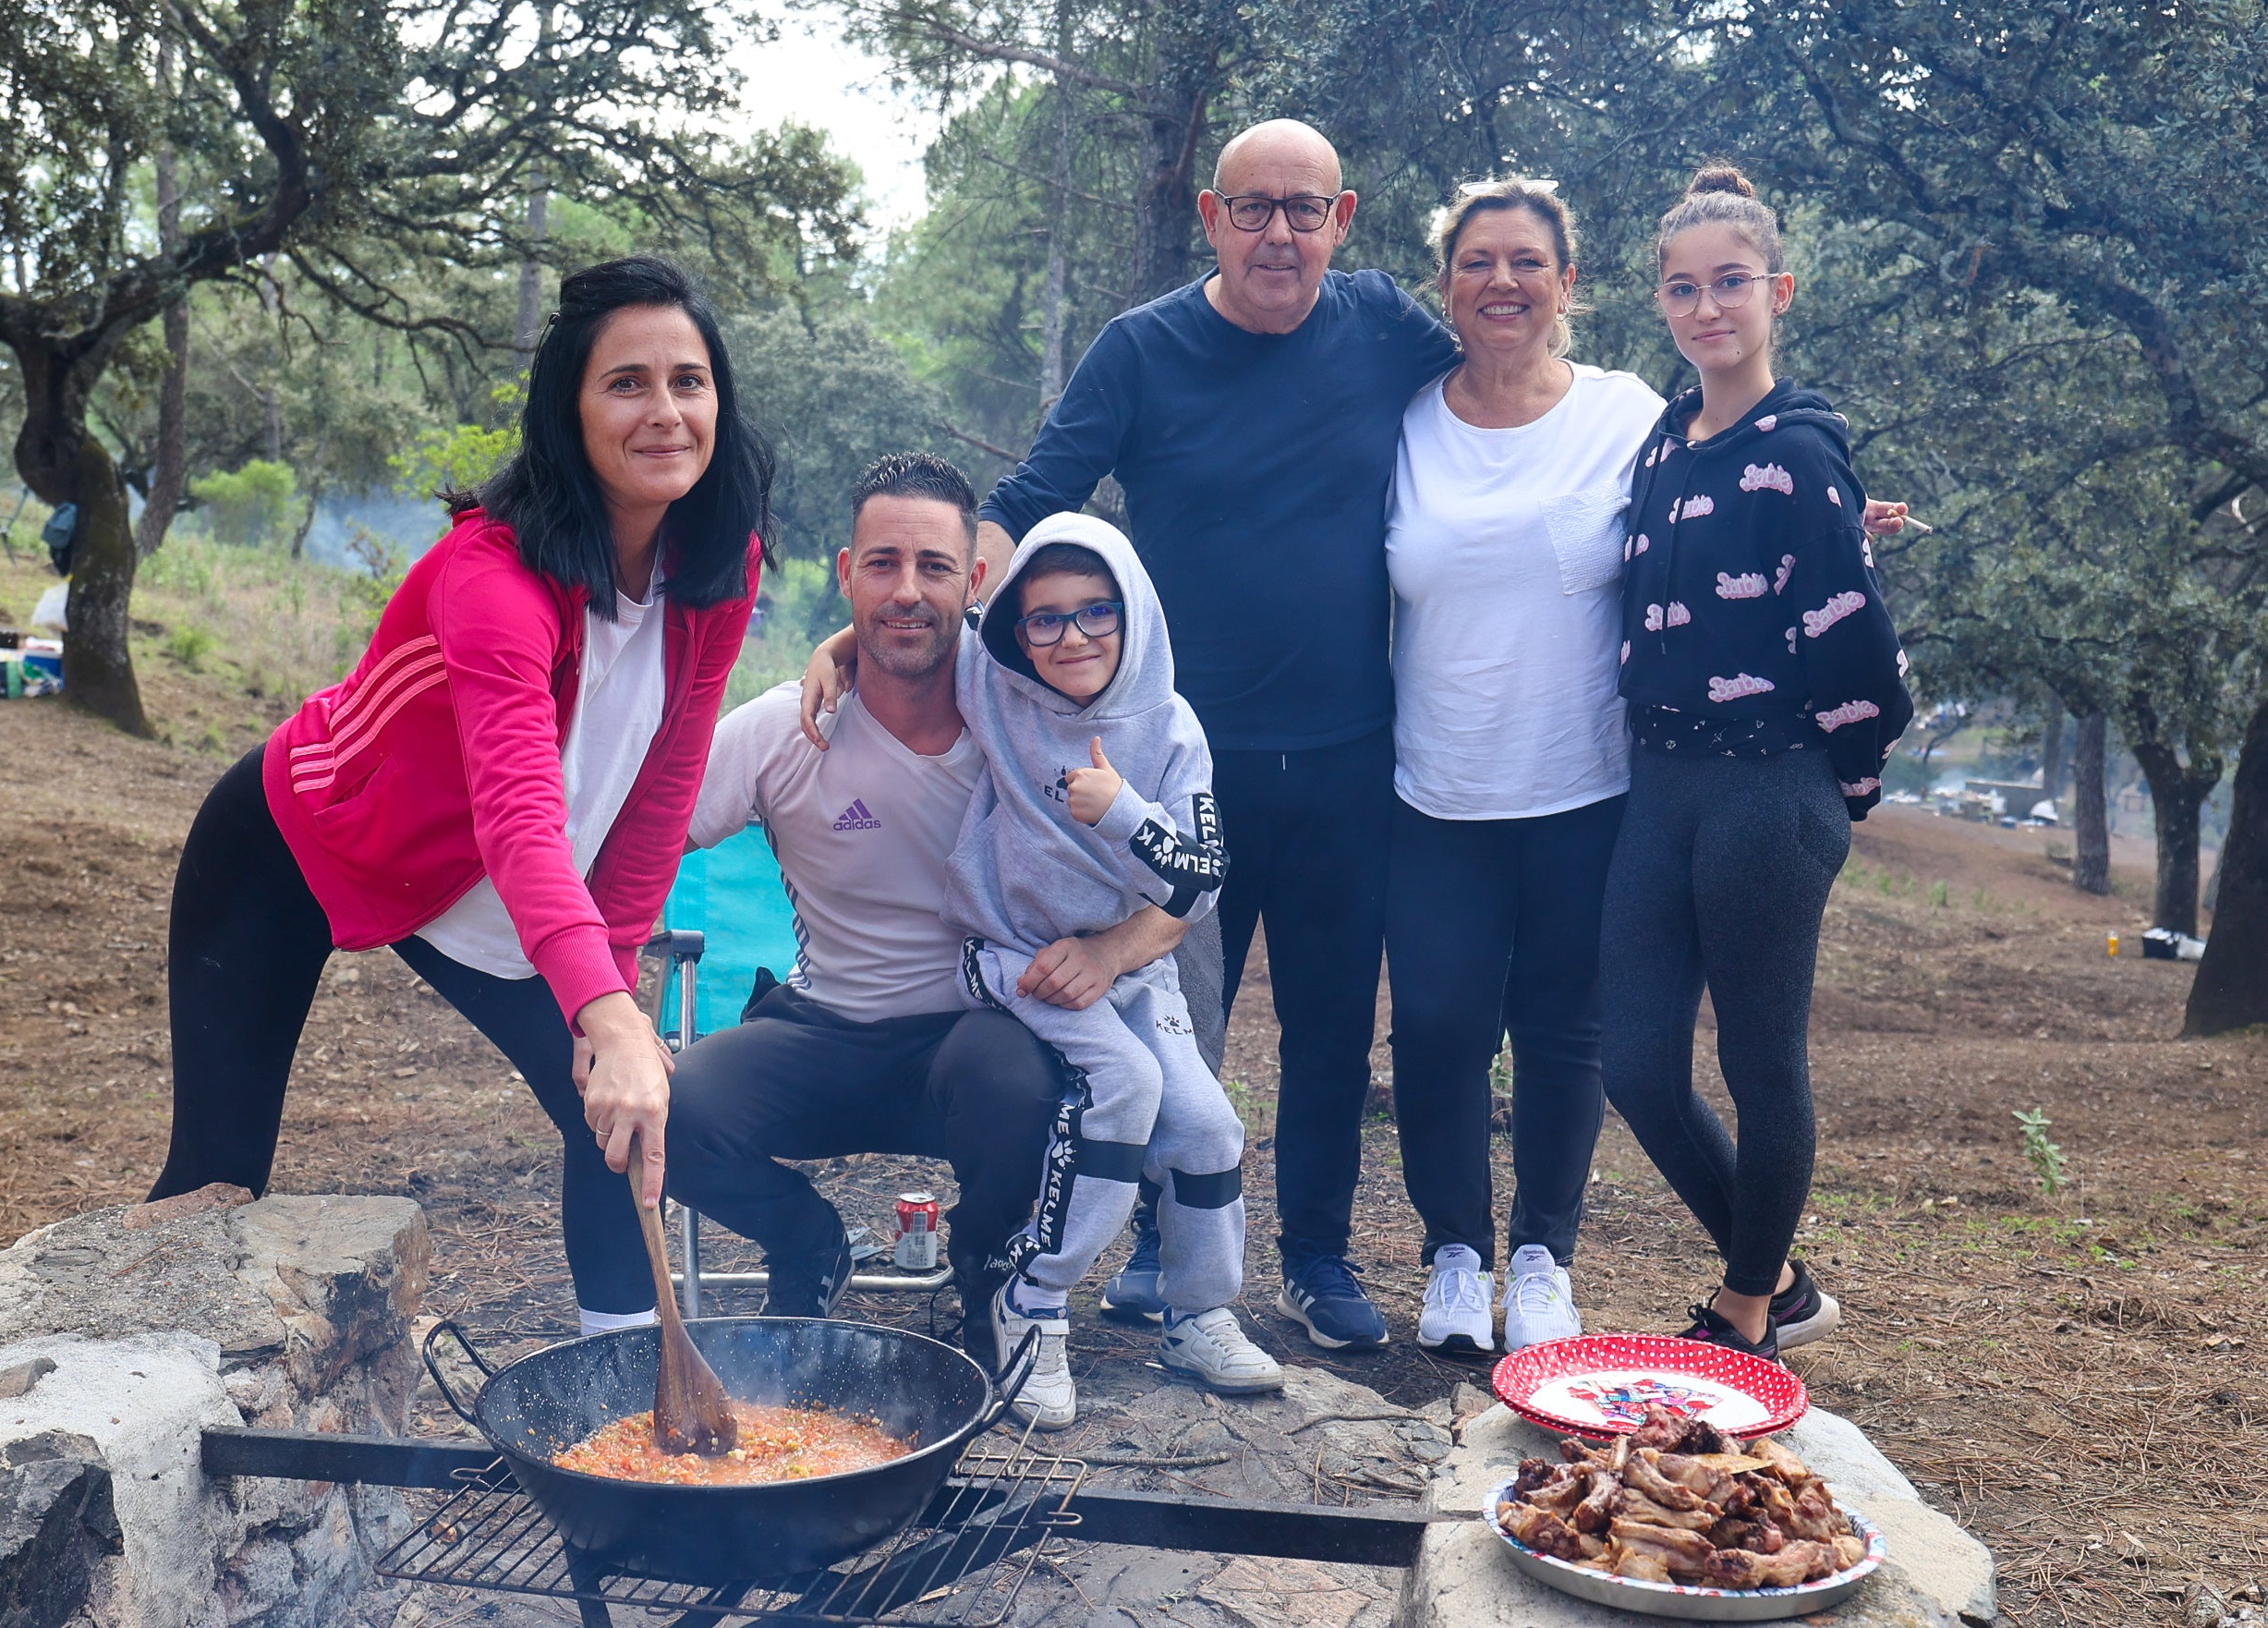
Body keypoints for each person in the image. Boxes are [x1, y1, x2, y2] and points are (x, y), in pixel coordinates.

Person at [807, 119, 1459, 1352]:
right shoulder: (1144, 349)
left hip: (1341, 754)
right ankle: (1161, 1252)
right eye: (1252, 207)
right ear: (1210, 217)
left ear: (1343, 218)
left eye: (1302, 210)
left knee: (1327, 1026)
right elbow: (1019, 503)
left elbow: (1512, 382)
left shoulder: (1382, 328)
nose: (1278, 231)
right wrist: (891, 627)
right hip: (1165, 764)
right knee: (1178, 1022)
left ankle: (1314, 1258)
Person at [148, 254, 765, 1337]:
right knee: (218, 1175)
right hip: (293, 841)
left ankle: (631, 1411)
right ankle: (123, 1385)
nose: (664, 411)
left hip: (490, 882)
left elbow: (662, 790)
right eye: (627, 383)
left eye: (688, 379)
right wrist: (606, 1008)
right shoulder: (492, 576)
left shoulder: (719, 561)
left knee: (608, 1116)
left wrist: (611, 993)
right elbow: (520, 815)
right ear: (567, 409)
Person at [663, 456, 1189, 1392]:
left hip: (974, 1034)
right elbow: (646, 850)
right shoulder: (785, 727)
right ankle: (806, 1238)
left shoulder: (1028, 721)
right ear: (844, 573)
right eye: (882, 564)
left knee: (1015, 1075)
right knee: (668, 1110)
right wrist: (609, 1004)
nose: (906, 590)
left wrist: (1110, 952)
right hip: (823, 1030)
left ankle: (987, 1268)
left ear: (975, 583)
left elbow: (1182, 872)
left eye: (935, 567)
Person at [1601, 166, 1913, 1360]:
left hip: (1767, 791)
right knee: (1632, 1057)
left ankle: (1744, 1309)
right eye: (1682, 289)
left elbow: (1855, 642)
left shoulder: (1800, 454)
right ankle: (1779, 1273)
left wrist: (1837, 790)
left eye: (1729, 283)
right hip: (1659, 787)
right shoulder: (1659, 447)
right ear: (1663, 305)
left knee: (1755, 1060)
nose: (1705, 308)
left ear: (1775, 291)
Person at [1382, 180, 1661, 1356]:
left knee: (1561, 1029)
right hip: (1435, 791)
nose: (1501, 280)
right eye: (1476, 261)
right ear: (1445, 283)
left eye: (1526, 261)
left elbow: (1710, 518)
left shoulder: (1625, 413)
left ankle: (1542, 1259)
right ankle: (1454, 1253)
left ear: (1566, 283)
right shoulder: (1401, 421)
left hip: (1584, 787)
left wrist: (1827, 520)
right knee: (1438, 1025)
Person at [951, 513, 1284, 1427]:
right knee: (1126, 1085)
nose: (1070, 637)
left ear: (1133, 611)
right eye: (1044, 617)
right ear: (1016, 629)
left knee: (1208, 1128)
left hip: (1132, 970)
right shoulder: (997, 685)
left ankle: (1197, 1311)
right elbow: (919, 622)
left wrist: (1122, 811)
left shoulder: (1171, 727)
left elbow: (1200, 886)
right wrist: (835, 648)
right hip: (1014, 955)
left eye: (1094, 611)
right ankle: (1033, 1298)